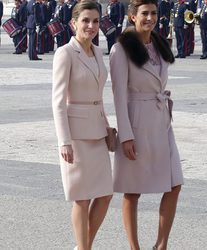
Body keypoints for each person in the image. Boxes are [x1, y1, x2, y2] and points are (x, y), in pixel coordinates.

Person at [110, 0, 184, 249]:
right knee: (133, 191)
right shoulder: (121, 49)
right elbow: (119, 96)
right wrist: (126, 136)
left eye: (153, 13)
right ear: (132, 17)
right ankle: (134, 247)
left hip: (162, 122)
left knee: (175, 184)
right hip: (137, 123)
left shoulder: (161, 43)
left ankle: (161, 245)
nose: (150, 18)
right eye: (144, 14)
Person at [52, 1, 113, 250]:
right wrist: (63, 141)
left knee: (105, 194)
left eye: (95, 21)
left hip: (97, 131)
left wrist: (108, 125)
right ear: (73, 23)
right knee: (81, 198)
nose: (91, 26)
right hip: (75, 136)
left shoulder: (98, 52)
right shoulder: (65, 53)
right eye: (85, 20)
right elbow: (57, 101)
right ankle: (84, 247)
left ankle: (82, 245)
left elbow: (98, 94)